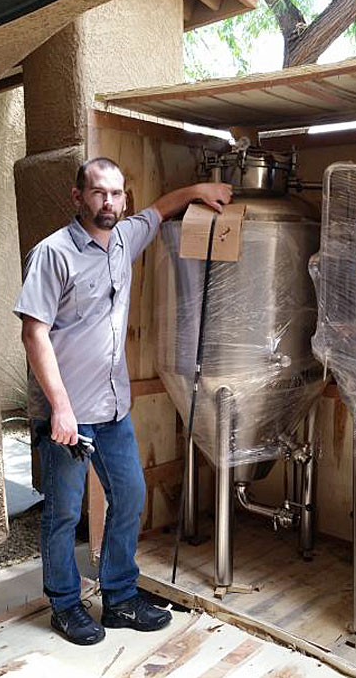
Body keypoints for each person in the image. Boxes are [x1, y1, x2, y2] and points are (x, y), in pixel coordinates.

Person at [14, 157, 232, 645]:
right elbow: (34, 334)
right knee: (63, 513)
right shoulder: (53, 254)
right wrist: (61, 409)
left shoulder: (124, 238)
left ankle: (119, 598)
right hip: (67, 416)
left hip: (113, 409)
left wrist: (199, 190)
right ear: (78, 197)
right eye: (98, 192)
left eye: (116, 193)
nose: (108, 201)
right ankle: (65, 605)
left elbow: (159, 210)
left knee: (130, 497)